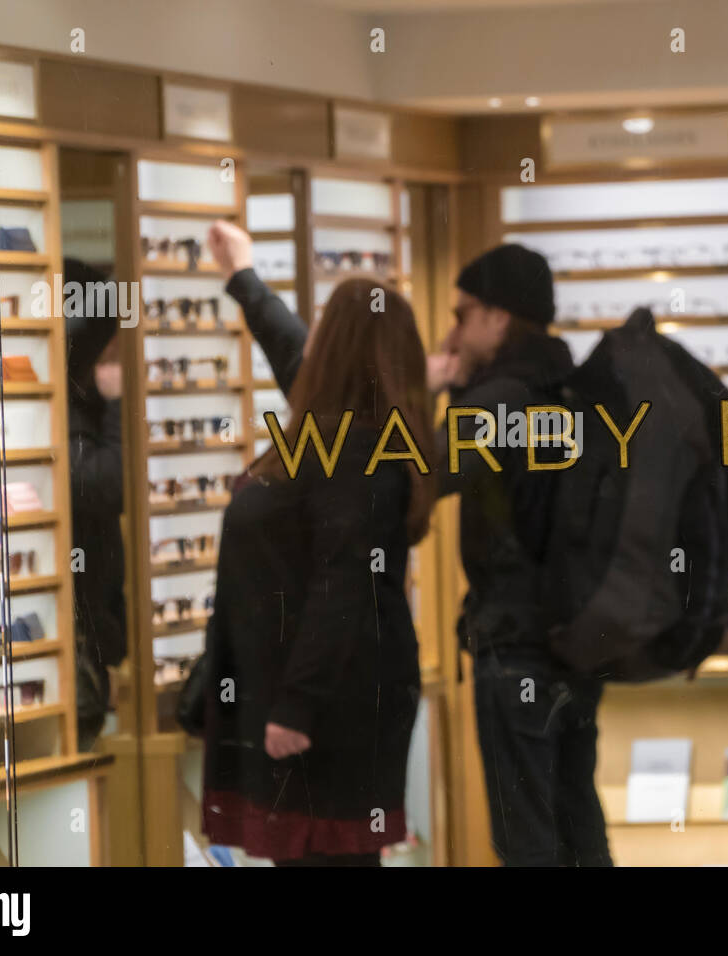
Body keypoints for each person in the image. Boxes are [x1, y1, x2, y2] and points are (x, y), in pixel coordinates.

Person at [201, 220, 434, 866]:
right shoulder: (350, 434)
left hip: (325, 708)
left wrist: (297, 707)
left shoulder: (357, 452)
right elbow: (292, 350)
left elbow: (342, 586)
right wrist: (243, 280)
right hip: (317, 694)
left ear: (333, 346)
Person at [427, 243, 611, 866]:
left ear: (498, 319)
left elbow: (416, 478)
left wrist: (433, 391)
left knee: (526, 832)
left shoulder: (495, 400)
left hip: (515, 647)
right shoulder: (579, 390)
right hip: (578, 642)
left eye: (462, 313)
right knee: (576, 815)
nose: (453, 330)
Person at [64, 258, 128, 749]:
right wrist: (119, 406)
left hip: (96, 621)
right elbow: (103, 488)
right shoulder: (68, 407)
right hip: (76, 629)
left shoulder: (85, 401)